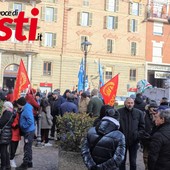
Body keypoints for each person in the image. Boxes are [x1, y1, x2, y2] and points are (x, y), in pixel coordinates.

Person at [118, 97, 145, 170]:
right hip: (122, 141)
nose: (130, 104)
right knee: (121, 161)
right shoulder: (119, 112)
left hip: (134, 141)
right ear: (125, 103)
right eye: (128, 103)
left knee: (133, 161)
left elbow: (142, 126)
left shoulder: (139, 113)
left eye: (131, 103)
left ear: (134, 104)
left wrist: (137, 135)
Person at [16, 97, 35, 170]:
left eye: (18, 105)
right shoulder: (27, 107)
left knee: (27, 147)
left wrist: (23, 126)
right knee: (29, 147)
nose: (18, 106)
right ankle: (29, 162)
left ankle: (25, 164)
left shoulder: (26, 109)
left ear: (21, 104)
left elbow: (30, 121)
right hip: (29, 131)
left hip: (28, 131)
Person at [0, 101, 14, 170]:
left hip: (4, 134)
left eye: (4, 106)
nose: (3, 107)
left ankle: (3, 166)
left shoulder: (7, 113)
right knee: (5, 150)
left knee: (3, 151)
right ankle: (8, 165)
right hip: (8, 134)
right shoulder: (11, 113)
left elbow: (1, 123)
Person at [10, 101, 21, 168]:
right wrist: (15, 125)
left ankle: (12, 159)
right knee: (12, 149)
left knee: (14, 148)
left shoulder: (17, 113)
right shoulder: (13, 113)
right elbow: (11, 123)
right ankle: (11, 159)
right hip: (13, 133)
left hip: (16, 133)